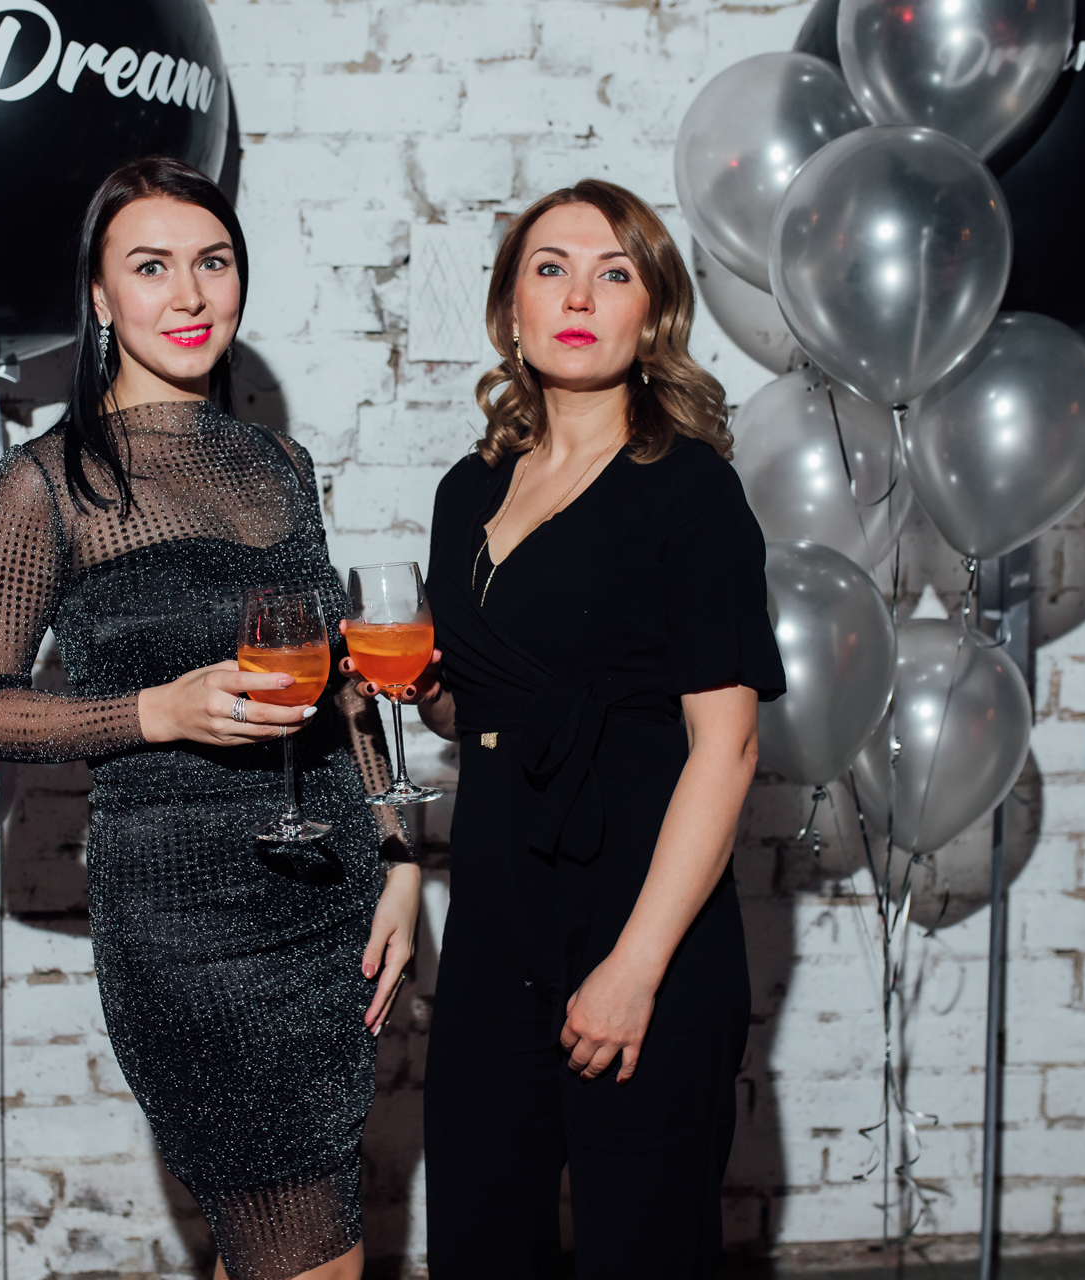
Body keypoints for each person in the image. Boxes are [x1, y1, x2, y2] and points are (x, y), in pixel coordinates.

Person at [0, 156, 421, 1280]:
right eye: (151, 267)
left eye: (213, 262)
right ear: (101, 296)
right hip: (186, 928)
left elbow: (343, 683)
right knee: (311, 1253)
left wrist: (397, 850)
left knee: (270, 1248)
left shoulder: (280, 463)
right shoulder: (47, 483)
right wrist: (155, 710)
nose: (191, 295)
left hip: (328, 905)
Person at [364, 180, 785, 1276]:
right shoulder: (468, 490)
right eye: (550, 268)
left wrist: (634, 967)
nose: (580, 295)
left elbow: (729, 748)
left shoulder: (692, 492)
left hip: (644, 915)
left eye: (615, 272)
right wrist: (424, 689)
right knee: (480, 1240)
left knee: (641, 1248)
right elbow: (482, 710)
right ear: (512, 308)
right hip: (498, 912)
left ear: (654, 314)